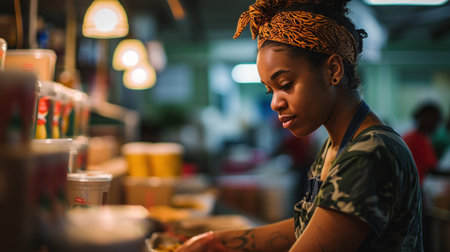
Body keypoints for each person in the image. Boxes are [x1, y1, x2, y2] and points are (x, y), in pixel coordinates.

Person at [176, 0, 423, 251]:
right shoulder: (334, 147)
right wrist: (215, 241)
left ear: (333, 70)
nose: (275, 103)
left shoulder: (368, 155)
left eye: (285, 84)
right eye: (269, 90)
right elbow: (307, 227)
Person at [402, 102, 442, 186]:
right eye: (434, 119)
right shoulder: (419, 140)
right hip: (411, 186)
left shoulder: (410, 136)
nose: (436, 124)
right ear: (422, 118)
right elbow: (431, 170)